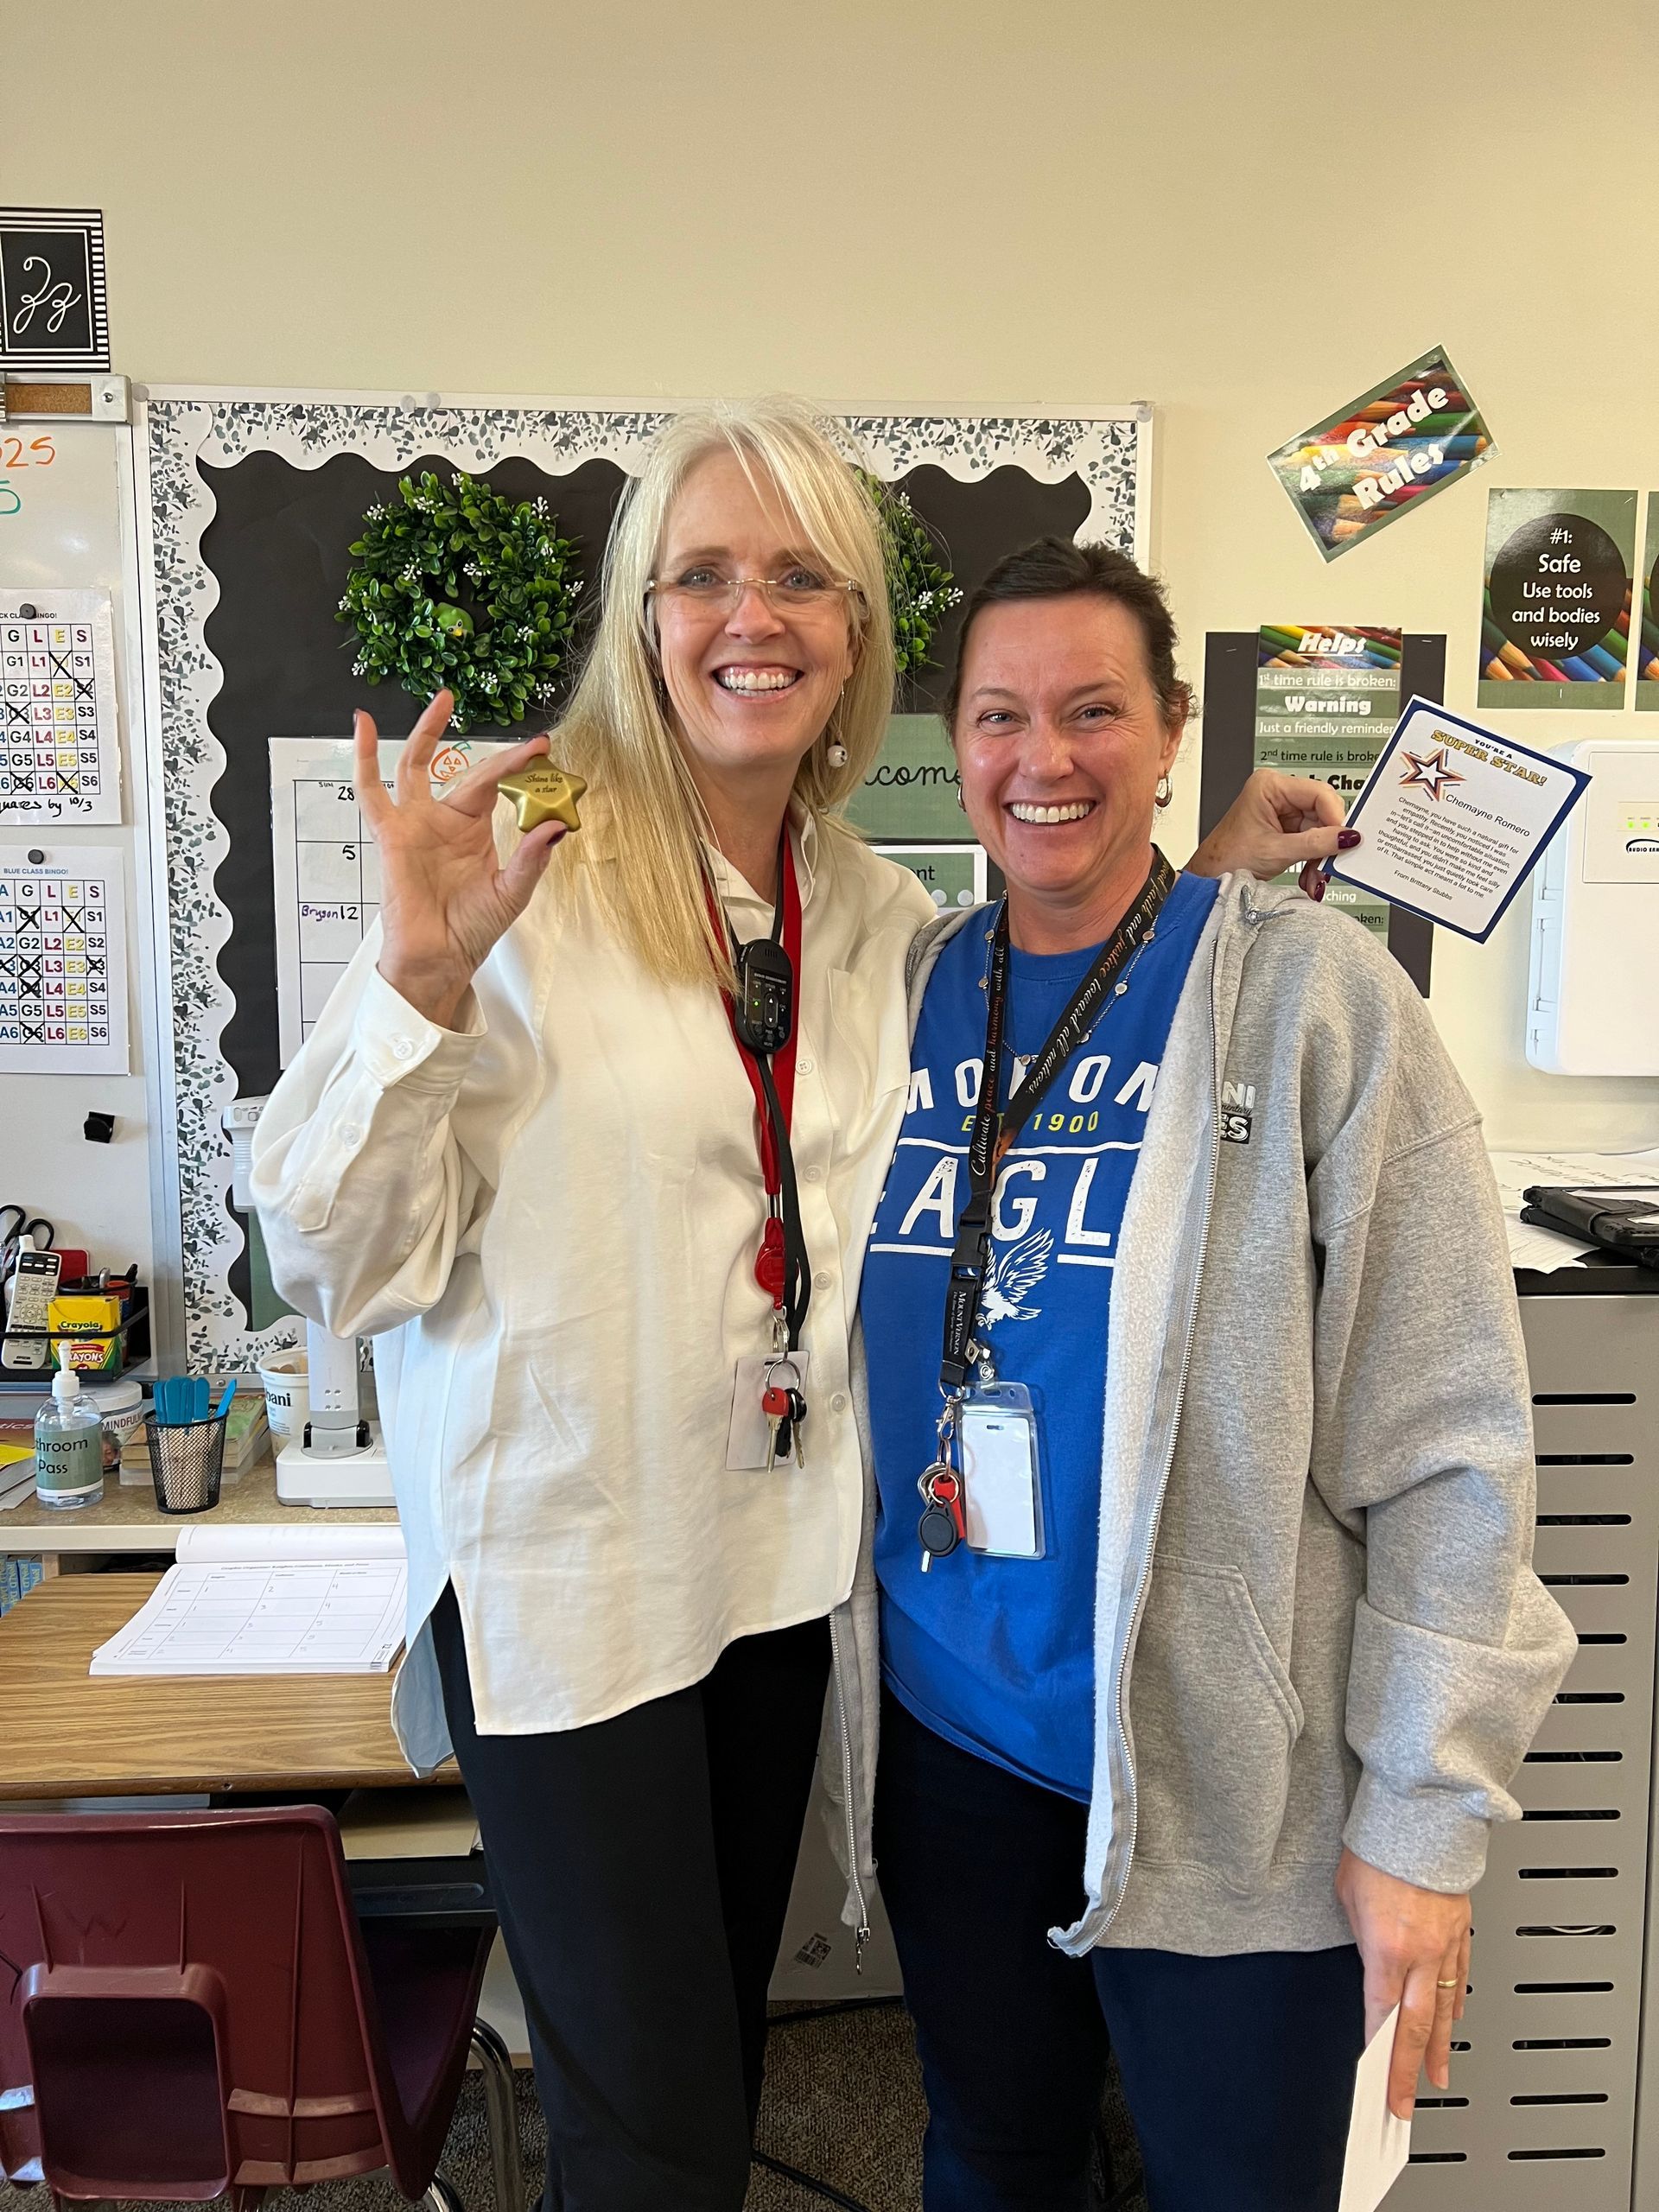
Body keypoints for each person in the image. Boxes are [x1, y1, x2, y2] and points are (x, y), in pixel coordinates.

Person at [251, 402, 1348, 2212]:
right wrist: (418, 976)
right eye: (700, 574)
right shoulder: (520, 851)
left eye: (798, 577)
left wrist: (1198, 886)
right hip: (575, 1593)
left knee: (720, 2063)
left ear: (853, 637)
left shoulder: (872, 908)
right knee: (659, 2129)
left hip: (771, 1592)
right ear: (641, 615)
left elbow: (1036, 1036)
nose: (748, 614)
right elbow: (335, 1262)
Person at [850, 537, 1578, 2212]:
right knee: (992, 2160)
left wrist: (1422, 1819)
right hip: (955, 1742)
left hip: (1232, 1775)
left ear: (1173, 728)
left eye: (1095, 710)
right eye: (1001, 716)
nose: (1046, 760)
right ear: (951, 743)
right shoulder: (908, 992)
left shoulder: (1316, 999)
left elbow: (1453, 1439)